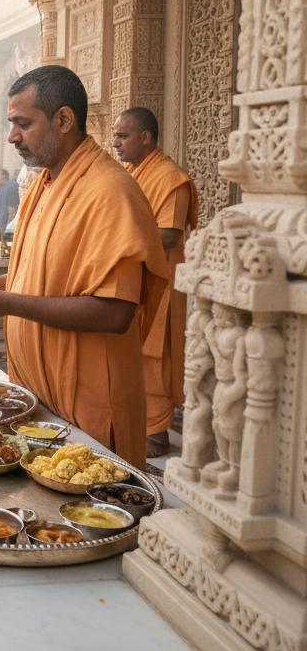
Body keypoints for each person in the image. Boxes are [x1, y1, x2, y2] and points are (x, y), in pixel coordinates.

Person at [0, 66, 169, 469]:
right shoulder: (46, 184)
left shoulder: (109, 191)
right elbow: (42, 276)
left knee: (89, 520)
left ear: (64, 120)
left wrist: (8, 303)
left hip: (89, 400)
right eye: (12, 124)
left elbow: (116, 311)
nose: (13, 136)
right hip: (38, 393)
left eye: (23, 124)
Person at [112, 107, 199, 459]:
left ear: (145, 137)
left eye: (123, 136)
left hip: (163, 281)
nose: (115, 143)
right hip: (137, 277)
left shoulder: (171, 177)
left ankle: (157, 433)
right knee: (131, 350)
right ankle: (135, 421)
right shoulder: (131, 174)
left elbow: (167, 234)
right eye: (115, 135)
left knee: (155, 355)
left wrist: (116, 237)